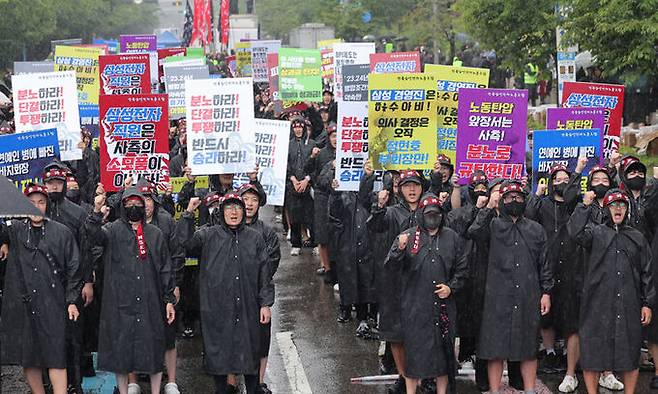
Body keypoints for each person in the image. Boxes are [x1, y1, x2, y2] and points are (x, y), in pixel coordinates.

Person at [176, 193, 274, 394]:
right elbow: (185, 243)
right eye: (229, 208)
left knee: (250, 353)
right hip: (217, 308)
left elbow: (264, 272)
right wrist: (188, 213)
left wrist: (265, 303)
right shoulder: (208, 235)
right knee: (220, 355)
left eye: (237, 208)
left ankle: (254, 389)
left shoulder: (255, 238)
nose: (234, 212)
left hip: (248, 306)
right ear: (221, 212)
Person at [85, 187, 176, 394]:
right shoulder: (112, 230)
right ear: (123, 207)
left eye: (137, 204)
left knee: (153, 348)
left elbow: (165, 268)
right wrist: (96, 212)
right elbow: (93, 235)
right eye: (128, 204)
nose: (133, 208)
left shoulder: (155, 234)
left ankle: (155, 390)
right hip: (119, 301)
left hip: (150, 300)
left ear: (144, 207)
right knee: (121, 351)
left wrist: (169, 298)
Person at [468, 180, 553, 394]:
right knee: (494, 348)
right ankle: (495, 390)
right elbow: (474, 232)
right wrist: (488, 208)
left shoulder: (536, 229)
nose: (513, 201)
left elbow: (545, 264)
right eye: (508, 197)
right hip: (496, 296)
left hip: (528, 294)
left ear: (525, 200)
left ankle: (530, 389)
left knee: (528, 348)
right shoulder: (492, 225)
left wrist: (546, 292)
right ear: (501, 201)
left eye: (518, 197)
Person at [568, 189, 655, 394]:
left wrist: (647, 303)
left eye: (622, 205)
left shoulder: (637, 237)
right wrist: (584, 206)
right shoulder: (595, 233)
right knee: (593, 351)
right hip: (596, 303)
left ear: (628, 210)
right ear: (606, 209)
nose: (618, 208)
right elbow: (574, 232)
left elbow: (647, 272)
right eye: (614, 205)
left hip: (629, 303)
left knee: (630, 351)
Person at [0, 184, 82, 394]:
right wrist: (4, 242)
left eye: (41, 202)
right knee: (29, 356)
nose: (36, 207)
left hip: (53, 302)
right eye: (31, 203)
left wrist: (72, 300)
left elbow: (74, 267)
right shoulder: (14, 229)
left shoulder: (62, 232)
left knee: (56, 355)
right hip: (23, 304)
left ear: (47, 205)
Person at [386, 194, 468, 394]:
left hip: (443, 308)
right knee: (414, 354)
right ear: (422, 215)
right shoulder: (408, 235)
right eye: (429, 214)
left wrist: (451, 287)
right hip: (415, 306)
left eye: (437, 214)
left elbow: (463, 270)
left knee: (443, 355)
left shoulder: (452, 237)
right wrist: (399, 249)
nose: (433, 218)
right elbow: (390, 267)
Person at [524, 159, 585, 386]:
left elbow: (572, 196)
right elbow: (528, 213)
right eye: (557, 179)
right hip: (546, 264)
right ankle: (550, 352)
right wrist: (536, 194)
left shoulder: (575, 203)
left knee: (570, 315)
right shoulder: (543, 203)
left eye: (565, 179)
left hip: (571, 265)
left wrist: (578, 169)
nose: (561, 182)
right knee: (546, 315)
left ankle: (571, 361)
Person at [369, 170, 425, 394]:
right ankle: (403, 376)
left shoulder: (430, 210)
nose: (412, 190)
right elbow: (374, 226)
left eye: (416, 185)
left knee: (423, 332)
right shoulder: (391, 212)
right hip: (395, 281)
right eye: (407, 185)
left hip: (423, 281)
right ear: (399, 189)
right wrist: (379, 207)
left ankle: (423, 375)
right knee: (396, 333)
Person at [127, 181, 185, 394]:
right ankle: (133, 381)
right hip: (134, 286)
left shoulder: (166, 221)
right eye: (140, 200)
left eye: (149, 199)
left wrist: (175, 285)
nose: (145, 204)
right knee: (133, 332)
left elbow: (177, 254)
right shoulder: (125, 222)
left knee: (167, 334)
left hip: (162, 285)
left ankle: (171, 380)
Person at [42, 162, 91, 393]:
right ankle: (48, 384)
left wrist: (88, 282)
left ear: (64, 184)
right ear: (44, 184)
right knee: (45, 338)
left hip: (72, 281)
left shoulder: (77, 212)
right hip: (42, 284)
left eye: (58, 183)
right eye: (50, 183)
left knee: (74, 339)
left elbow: (86, 248)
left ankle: (76, 384)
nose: (54, 187)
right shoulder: (35, 210)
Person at [445, 171, 491, 390]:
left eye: (484, 186)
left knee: (480, 320)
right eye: (477, 187)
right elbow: (464, 227)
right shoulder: (459, 214)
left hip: (485, 272)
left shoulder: (494, 213)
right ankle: (459, 357)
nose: (481, 191)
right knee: (459, 317)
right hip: (463, 271)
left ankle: (475, 357)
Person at [238, 183, 281, 394]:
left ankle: (260, 381)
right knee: (234, 338)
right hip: (234, 294)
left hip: (259, 293)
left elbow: (272, 261)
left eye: (254, 200)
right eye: (245, 199)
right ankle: (231, 381)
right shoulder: (229, 226)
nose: (249, 204)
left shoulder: (266, 231)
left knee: (262, 340)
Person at [328, 172, 376, 333]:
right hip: (346, 242)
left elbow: (370, 201)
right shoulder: (342, 194)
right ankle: (345, 307)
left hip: (366, 242)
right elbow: (333, 214)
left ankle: (363, 315)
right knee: (347, 277)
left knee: (365, 279)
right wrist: (335, 192)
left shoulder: (369, 192)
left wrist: (368, 177)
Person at [305, 126, 336, 269]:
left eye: (338, 136)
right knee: (322, 235)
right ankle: (326, 267)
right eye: (333, 136)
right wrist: (312, 157)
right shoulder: (322, 154)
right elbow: (310, 170)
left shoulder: (347, 153)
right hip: (323, 197)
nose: (336, 139)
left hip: (340, 199)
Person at [286, 117, 317, 255]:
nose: (298, 130)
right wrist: (293, 179)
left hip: (308, 184)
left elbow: (316, 167)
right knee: (294, 216)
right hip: (293, 184)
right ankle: (296, 243)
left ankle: (315, 243)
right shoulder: (288, 144)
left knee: (311, 215)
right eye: (295, 127)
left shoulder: (312, 144)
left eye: (300, 127)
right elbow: (285, 164)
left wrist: (307, 180)